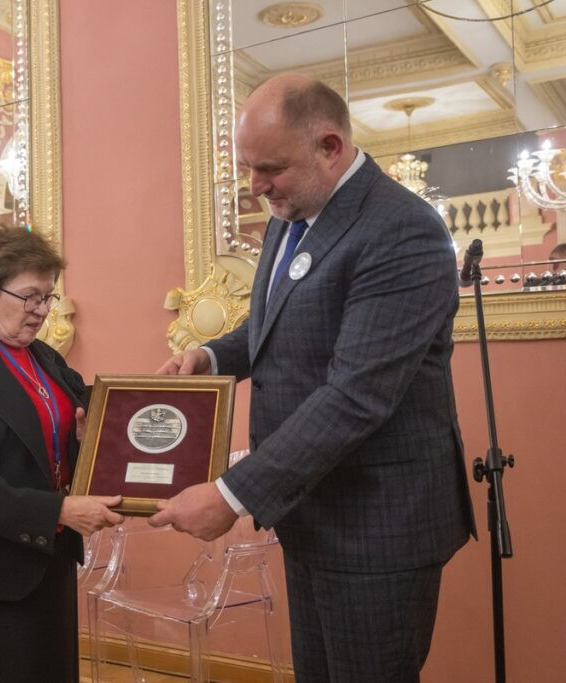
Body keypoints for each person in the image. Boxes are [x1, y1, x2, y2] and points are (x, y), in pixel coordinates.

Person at [152, 74, 476, 682]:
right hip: (312, 514)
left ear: (330, 146)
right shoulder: (291, 213)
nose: (255, 187)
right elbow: (274, 326)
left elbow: (356, 397)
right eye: (247, 168)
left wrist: (230, 494)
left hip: (378, 527)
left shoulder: (401, 230)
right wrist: (213, 357)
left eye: (270, 168)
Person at [0, 223, 123, 682]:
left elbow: (74, 437)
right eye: (29, 296)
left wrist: (93, 439)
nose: (41, 311)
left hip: (47, 562)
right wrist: (60, 509)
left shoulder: (48, 359)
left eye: (47, 297)